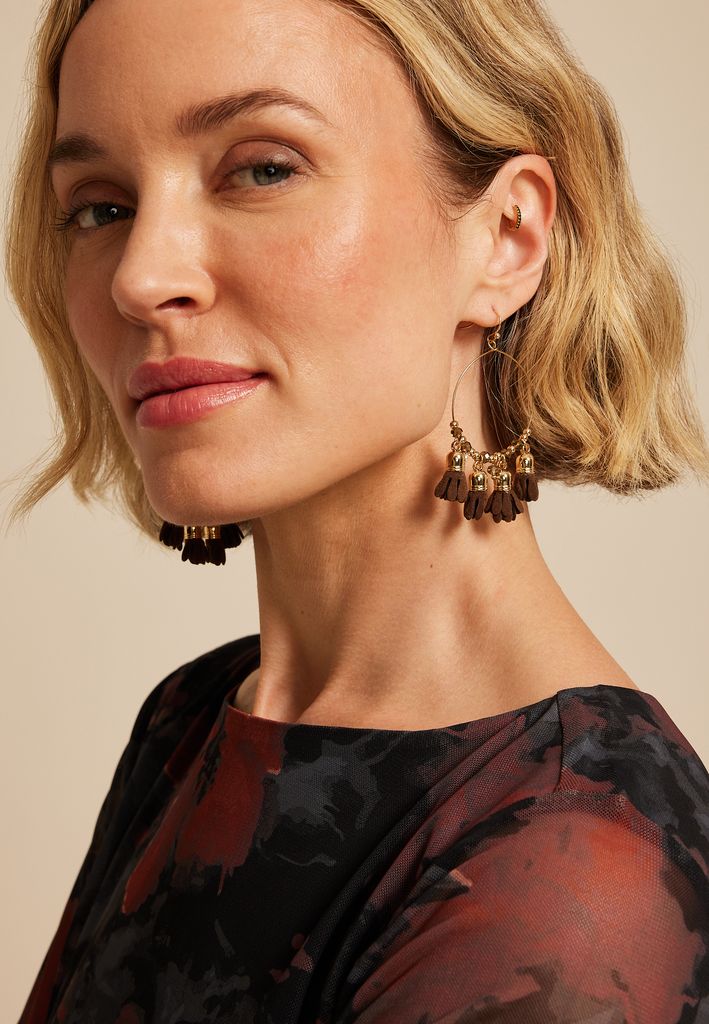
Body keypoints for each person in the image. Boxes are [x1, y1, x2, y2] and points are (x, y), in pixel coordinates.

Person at [7, 0, 709, 1019]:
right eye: (99, 207)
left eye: (262, 169)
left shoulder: (574, 875)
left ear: (506, 237)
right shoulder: (196, 716)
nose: (140, 277)